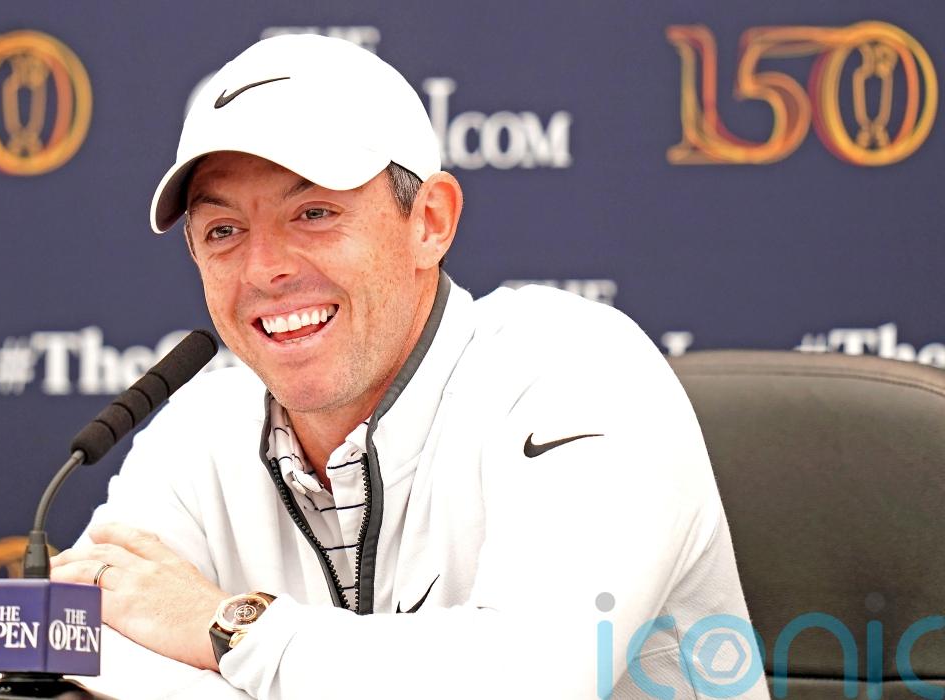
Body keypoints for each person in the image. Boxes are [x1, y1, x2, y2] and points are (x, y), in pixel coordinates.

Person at [50, 34, 769, 699]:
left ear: (430, 221)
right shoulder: (197, 432)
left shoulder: (580, 370)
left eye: (314, 214)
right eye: (224, 230)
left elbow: (530, 679)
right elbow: (69, 642)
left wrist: (228, 629)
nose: (264, 269)